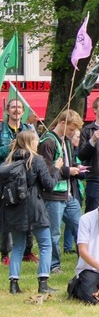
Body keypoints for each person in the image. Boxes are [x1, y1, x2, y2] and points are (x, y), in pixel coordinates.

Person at [1, 131, 57, 294]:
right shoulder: (36, 160)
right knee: (45, 245)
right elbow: (49, 184)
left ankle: (13, 284)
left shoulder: (8, 162)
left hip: (13, 209)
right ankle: (43, 283)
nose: (37, 143)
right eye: (35, 141)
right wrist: (57, 169)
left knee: (18, 246)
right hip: (35, 208)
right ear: (29, 142)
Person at [39, 109, 84, 275]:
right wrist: (67, 171)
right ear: (62, 123)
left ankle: (85, 261)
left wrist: (76, 167)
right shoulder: (47, 142)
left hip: (69, 194)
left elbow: (68, 162)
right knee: (54, 232)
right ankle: (54, 264)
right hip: (53, 195)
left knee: (81, 227)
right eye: (71, 129)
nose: (73, 133)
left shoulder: (66, 140)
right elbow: (46, 169)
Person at [0, 99, 39, 265]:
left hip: (25, 176)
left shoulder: (28, 129)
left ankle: (27, 250)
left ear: (23, 112)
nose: (16, 110)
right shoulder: (1, 129)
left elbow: (36, 149)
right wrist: (8, 148)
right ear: (8, 111)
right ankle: (5, 252)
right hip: (5, 178)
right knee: (5, 214)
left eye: (19, 108)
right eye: (13, 107)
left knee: (27, 211)